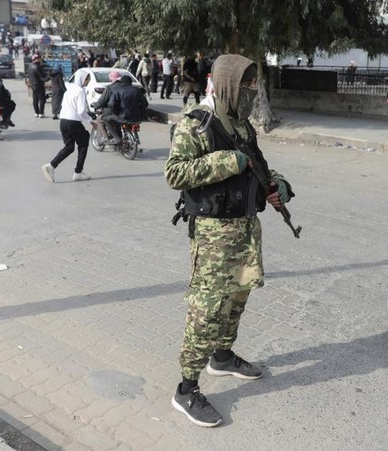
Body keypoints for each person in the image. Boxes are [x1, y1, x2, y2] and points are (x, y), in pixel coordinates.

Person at [165, 54, 294, 428]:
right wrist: (226, 162)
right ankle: (186, 388)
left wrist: (279, 186)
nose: (253, 91)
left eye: (255, 85)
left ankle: (221, 356)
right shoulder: (197, 124)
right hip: (213, 236)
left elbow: (259, 165)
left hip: (245, 231)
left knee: (238, 298)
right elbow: (174, 173)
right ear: (227, 85)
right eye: (247, 85)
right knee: (208, 309)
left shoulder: (241, 125)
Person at [42, 71, 94, 183]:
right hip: (73, 122)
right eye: (87, 79)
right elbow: (81, 111)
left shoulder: (69, 90)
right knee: (84, 141)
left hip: (63, 121)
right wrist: (91, 120)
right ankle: (78, 172)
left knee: (69, 147)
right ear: (82, 79)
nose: (88, 82)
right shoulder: (80, 91)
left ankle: (51, 166)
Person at [109, 75, 149, 141]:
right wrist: (141, 112)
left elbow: (112, 104)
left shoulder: (117, 91)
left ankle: (118, 139)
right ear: (131, 82)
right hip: (136, 116)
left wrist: (116, 112)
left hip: (123, 116)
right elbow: (145, 103)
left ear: (121, 82)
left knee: (113, 121)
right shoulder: (137, 90)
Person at [91, 71, 127, 143]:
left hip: (113, 112)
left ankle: (106, 137)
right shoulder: (125, 86)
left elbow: (102, 101)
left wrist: (95, 106)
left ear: (111, 79)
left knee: (100, 119)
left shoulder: (109, 88)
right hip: (126, 111)